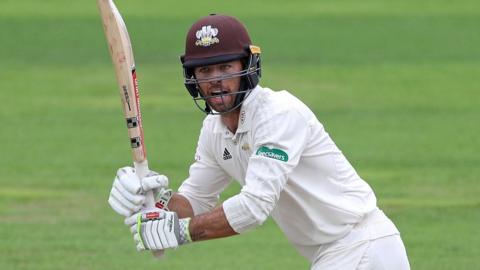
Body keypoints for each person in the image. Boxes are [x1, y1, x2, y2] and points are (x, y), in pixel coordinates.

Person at [108, 14, 411, 269]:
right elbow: (196, 202)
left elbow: (254, 207)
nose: (215, 79)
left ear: (246, 69)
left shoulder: (278, 115)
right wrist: (154, 199)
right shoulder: (214, 131)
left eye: (225, 67)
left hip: (363, 246)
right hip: (333, 255)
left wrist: (180, 231)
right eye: (205, 70)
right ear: (193, 78)